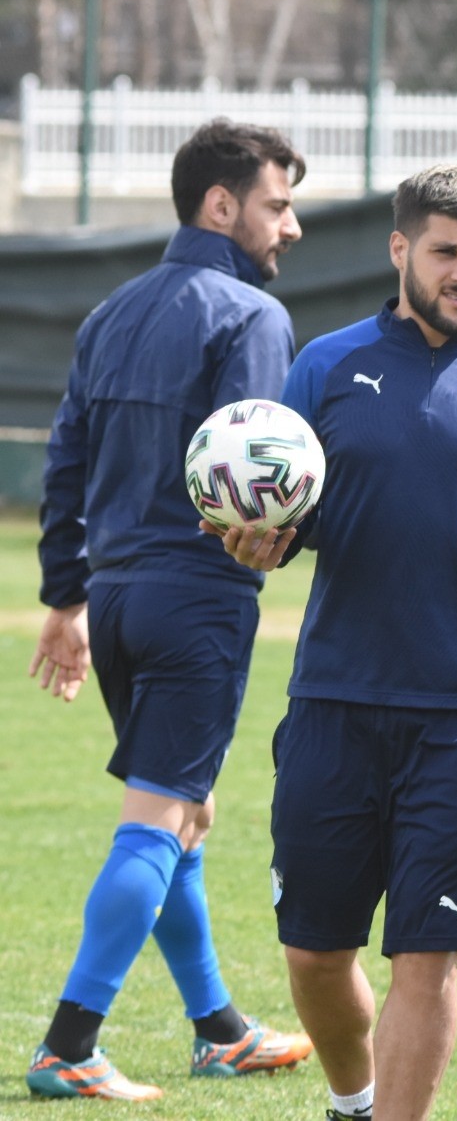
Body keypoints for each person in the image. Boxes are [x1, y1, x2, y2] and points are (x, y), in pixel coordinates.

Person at [218, 161, 457, 1121]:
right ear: (400, 250)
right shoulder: (326, 367)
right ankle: (353, 1102)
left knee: (428, 955)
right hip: (334, 704)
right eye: (448, 253)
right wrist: (261, 544)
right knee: (313, 953)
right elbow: (284, 523)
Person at [26, 118, 313, 1101]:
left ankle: (218, 1026)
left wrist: (66, 596)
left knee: (182, 811)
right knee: (156, 820)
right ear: (221, 205)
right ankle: (70, 1039)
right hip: (198, 605)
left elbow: (63, 464)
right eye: (279, 204)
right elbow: (256, 484)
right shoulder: (251, 317)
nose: (294, 226)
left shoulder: (110, 312)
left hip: (114, 602)